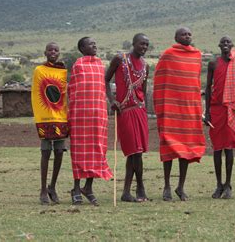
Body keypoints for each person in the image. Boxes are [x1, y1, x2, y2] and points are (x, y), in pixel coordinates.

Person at [153, 27, 206, 201]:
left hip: (189, 111)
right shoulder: (168, 54)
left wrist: (198, 108)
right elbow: (160, 80)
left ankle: (180, 187)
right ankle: (167, 186)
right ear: (176, 37)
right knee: (168, 147)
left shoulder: (197, 55)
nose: (187, 36)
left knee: (186, 150)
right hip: (171, 110)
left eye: (190, 34)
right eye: (184, 34)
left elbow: (195, 84)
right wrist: (161, 106)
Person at [105, 33, 150, 203]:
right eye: (141, 44)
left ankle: (130, 191)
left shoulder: (146, 65)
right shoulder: (120, 59)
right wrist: (112, 100)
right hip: (125, 110)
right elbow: (106, 80)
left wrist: (144, 109)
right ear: (133, 43)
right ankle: (137, 188)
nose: (144, 47)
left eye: (146, 45)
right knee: (134, 151)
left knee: (137, 153)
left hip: (140, 111)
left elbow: (143, 92)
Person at [68, 37, 112, 206]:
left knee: (97, 150)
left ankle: (88, 187)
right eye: (90, 44)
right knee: (79, 152)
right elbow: (73, 90)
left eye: (95, 43)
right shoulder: (78, 65)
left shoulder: (100, 65)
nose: (94, 45)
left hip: (97, 115)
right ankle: (76, 188)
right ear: (82, 48)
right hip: (81, 117)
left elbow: (101, 89)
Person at [204, 36, 235, 199]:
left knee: (229, 148)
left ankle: (228, 184)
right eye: (223, 43)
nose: (226, 45)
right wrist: (206, 111)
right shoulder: (213, 64)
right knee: (217, 148)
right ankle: (218, 185)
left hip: (232, 109)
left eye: (228, 42)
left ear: (232, 45)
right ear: (219, 46)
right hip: (216, 110)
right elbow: (208, 88)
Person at [31, 42, 68, 205]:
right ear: (45, 52)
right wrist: (40, 115)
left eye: (56, 50)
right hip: (45, 116)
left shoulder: (63, 72)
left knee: (59, 151)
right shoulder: (39, 70)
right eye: (50, 50)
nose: (53, 52)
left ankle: (52, 187)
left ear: (59, 53)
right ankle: (42, 190)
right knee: (45, 152)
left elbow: (66, 93)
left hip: (61, 116)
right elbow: (36, 93)